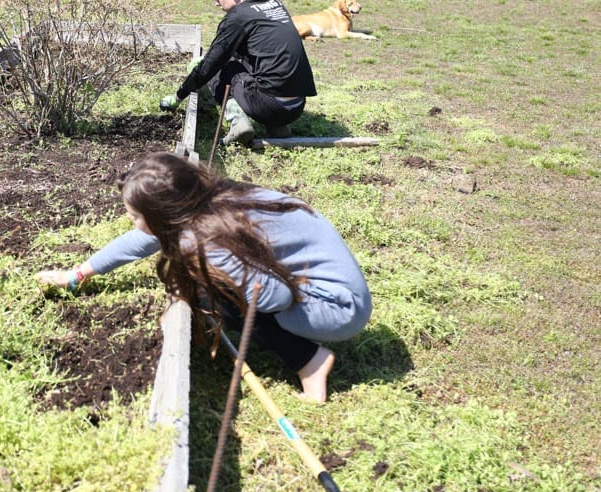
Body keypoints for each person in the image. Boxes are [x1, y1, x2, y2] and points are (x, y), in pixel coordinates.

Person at [37, 152, 371, 403]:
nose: (131, 221)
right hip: (338, 290)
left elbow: (276, 297)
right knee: (205, 283)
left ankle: (310, 362)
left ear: (160, 214)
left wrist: (212, 281)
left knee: (211, 291)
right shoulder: (207, 197)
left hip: (338, 308)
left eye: (134, 215)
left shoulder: (207, 238)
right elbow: (141, 240)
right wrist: (78, 274)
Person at [160, 0, 316, 146]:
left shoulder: (237, 17)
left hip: (270, 106)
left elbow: (210, 65)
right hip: (297, 105)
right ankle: (277, 127)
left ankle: (238, 122)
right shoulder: (273, 3)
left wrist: (178, 97)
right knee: (248, 62)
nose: (215, 3)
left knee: (218, 68)